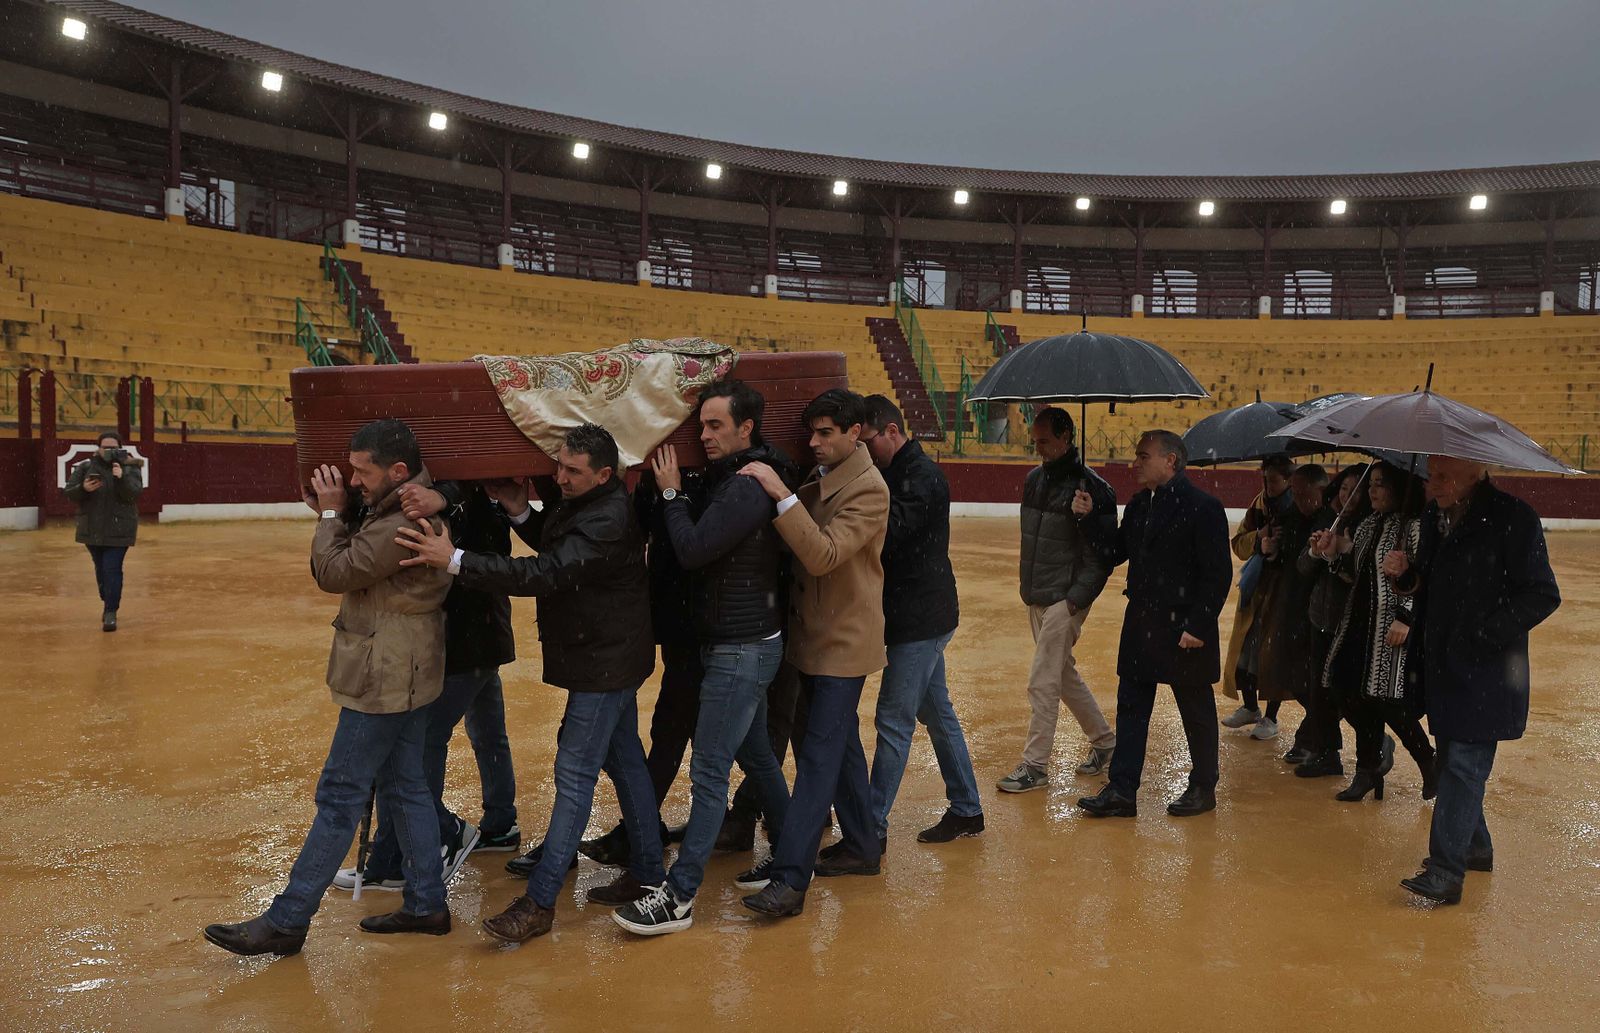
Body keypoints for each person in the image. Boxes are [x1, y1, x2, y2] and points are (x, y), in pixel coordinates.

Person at [396, 423, 663, 944]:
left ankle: (540, 902)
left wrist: (453, 560)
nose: (558, 477)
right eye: (558, 465)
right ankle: (649, 871)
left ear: (605, 474)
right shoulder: (596, 502)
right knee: (624, 758)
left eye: (571, 471)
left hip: (604, 662)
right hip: (609, 653)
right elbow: (557, 547)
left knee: (575, 772)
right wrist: (520, 508)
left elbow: (545, 572)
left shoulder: (608, 516)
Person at [203, 419, 453, 957]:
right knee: (406, 787)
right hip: (407, 668)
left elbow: (334, 572)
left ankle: (289, 920)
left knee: (341, 795)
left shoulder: (399, 524)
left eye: (363, 471)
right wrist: (344, 508)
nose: (354, 480)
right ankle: (427, 902)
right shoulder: (404, 506)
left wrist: (331, 513)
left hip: (383, 674)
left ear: (399, 471)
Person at [612, 378, 794, 935]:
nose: (705, 436)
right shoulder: (736, 479)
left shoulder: (743, 488)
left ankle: (680, 895)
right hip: (748, 643)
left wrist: (669, 493)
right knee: (758, 759)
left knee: (711, 771)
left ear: (747, 428)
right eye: (702, 425)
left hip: (739, 651)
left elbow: (692, 551)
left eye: (717, 426)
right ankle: (792, 859)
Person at [735, 388, 890, 918]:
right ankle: (863, 845)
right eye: (812, 433)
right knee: (835, 745)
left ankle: (790, 878)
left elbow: (823, 555)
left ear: (856, 432)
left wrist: (780, 492)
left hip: (843, 643)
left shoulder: (868, 489)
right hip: (815, 638)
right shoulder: (825, 477)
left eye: (827, 433)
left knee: (817, 761)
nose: (815, 442)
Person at [332, 479, 524, 894]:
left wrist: (448, 498)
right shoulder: (468, 492)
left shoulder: (459, 495)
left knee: (420, 744)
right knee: (486, 731)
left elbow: (483, 554)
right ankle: (498, 824)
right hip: (479, 631)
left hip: (462, 636)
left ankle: (425, 841)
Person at [1392, 457, 1560, 905]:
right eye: (1431, 476)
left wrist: (1484, 634)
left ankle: (1446, 871)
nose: (1433, 485)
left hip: (1487, 668)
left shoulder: (1513, 517)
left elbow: (1542, 593)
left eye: (1443, 477)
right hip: (1441, 663)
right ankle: (1476, 847)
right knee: (1454, 761)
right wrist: (1406, 574)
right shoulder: (1433, 514)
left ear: (1476, 473)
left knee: (1464, 765)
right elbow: (1425, 581)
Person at [850, 394, 983, 848]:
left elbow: (886, 537)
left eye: (868, 442)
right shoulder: (896, 472)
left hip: (920, 620)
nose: (864, 452)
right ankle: (967, 808)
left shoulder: (922, 477)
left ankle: (872, 827)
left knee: (893, 719)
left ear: (891, 431)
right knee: (935, 711)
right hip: (918, 613)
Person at [1077, 430, 1231, 820]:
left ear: (1170, 461)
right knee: (1131, 707)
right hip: (1143, 622)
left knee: (1194, 707)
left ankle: (1203, 786)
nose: (1135, 464)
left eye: (1143, 456)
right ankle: (1122, 791)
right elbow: (1114, 553)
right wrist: (1089, 518)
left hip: (1185, 626)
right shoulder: (1140, 505)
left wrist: (1198, 625)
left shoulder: (1204, 507)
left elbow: (1217, 575)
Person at [997, 406, 1119, 794]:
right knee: (1062, 676)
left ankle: (1035, 765)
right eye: (1035, 441)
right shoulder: (1034, 480)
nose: (1038, 449)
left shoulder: (1094, 489)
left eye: (1045, 441)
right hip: (1038, 595)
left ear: (1066, 437)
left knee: (1043, 680)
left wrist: (1073, 602)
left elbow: (1103, 557)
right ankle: (1105, 741)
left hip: (1065, 600)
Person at [1310, 461, 1434, 803]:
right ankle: (1368, 769)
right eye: (1372, 484)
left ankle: (1427, 760)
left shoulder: (1414, 528)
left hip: (1390, 626)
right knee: (1346, 690)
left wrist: (1405, 618)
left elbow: (1423, 581)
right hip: (1359, 623)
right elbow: (1353, 575)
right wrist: (1331, 554)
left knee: (1388, 700)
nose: (1372, 491)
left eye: (1380, 484)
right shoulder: (1367, 525)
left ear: (1398, 488)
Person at [1293, 463, 1371, 779]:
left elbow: (1360, 579)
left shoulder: (1366, 527)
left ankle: (1374, 747)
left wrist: (1338, 556)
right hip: (1320, 618)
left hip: (1349, 623)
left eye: (1356, 490)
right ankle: (1327, 752)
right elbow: (1303, 568)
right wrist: (1316, 553)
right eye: (1344, 489)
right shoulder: (1330, 521)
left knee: (1344, 692)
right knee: (1319, 690)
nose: (1348, 496)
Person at [1254, 463, 1333, 766]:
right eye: (1296, 492)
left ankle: (1312, 737)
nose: (1298, 498)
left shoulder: (1330, 523)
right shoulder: (1292, 518)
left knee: (1311, 681)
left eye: (1303, 493)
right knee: (1296, 678)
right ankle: (1317, 735)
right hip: (1292, 608)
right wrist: (1270, 550)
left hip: (1316, 614)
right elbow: (1284, 563)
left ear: (1320, 490)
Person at [1220, 454, 1295, 738]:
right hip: (1256, 592)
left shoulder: (1297, 508)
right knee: (1248, 651)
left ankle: (1271, 717)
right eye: (1264, 478)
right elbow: (1238, 545)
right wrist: (1259, 540)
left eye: (1273, 480)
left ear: (1288, 480)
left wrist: (1280, 548)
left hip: (1282, 592)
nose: (1267, 484)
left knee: (1273, 654)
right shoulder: (1258, 504)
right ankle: (1251, 707)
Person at [62, 431, 144, 632]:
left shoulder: (130, 467)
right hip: (93, 529)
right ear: (97, 448)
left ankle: (110, 612)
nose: (109, 451)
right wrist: (84, 489)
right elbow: (70, 494)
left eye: (113, 447)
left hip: (120, 528)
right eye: (105, 447)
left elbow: (133, 494)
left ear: (120, 448)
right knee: (101, 569)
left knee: (111, 568)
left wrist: (121, 477)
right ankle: (107, 597)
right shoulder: (85, 467)